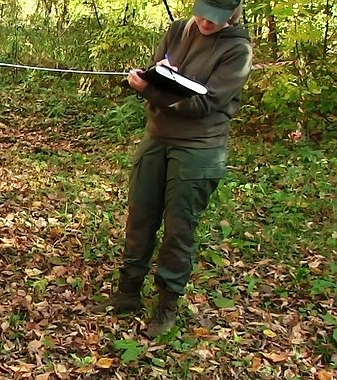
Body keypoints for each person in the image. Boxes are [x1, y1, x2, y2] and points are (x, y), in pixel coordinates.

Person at [93, 0, 252, 337]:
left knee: (179, 228)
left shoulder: (237, 50)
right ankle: (128, 293)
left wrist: (149, 89)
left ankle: (167, 303)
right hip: (157, 138)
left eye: (216, 19)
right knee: (140, 215)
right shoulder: (178, 29)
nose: (207, 23)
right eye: (203, 13)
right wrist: (145, 79)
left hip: (199, 148)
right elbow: (158, 72)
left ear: (233, 15)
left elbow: (204, 104)